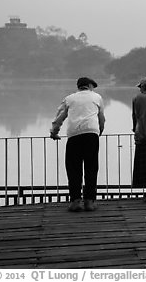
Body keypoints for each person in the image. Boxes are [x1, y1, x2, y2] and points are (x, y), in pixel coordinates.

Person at [50, 77, 105, 212]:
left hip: (74, 135)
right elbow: (101, 118)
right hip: (91, 134)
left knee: (74, 168)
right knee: (91, 168)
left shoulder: (69, 99)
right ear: (89, 86)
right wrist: (99, 131)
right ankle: (89, 202)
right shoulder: (97, 97)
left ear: (79, 86)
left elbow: (59, 117)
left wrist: (54, 132)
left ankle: (75, 201)